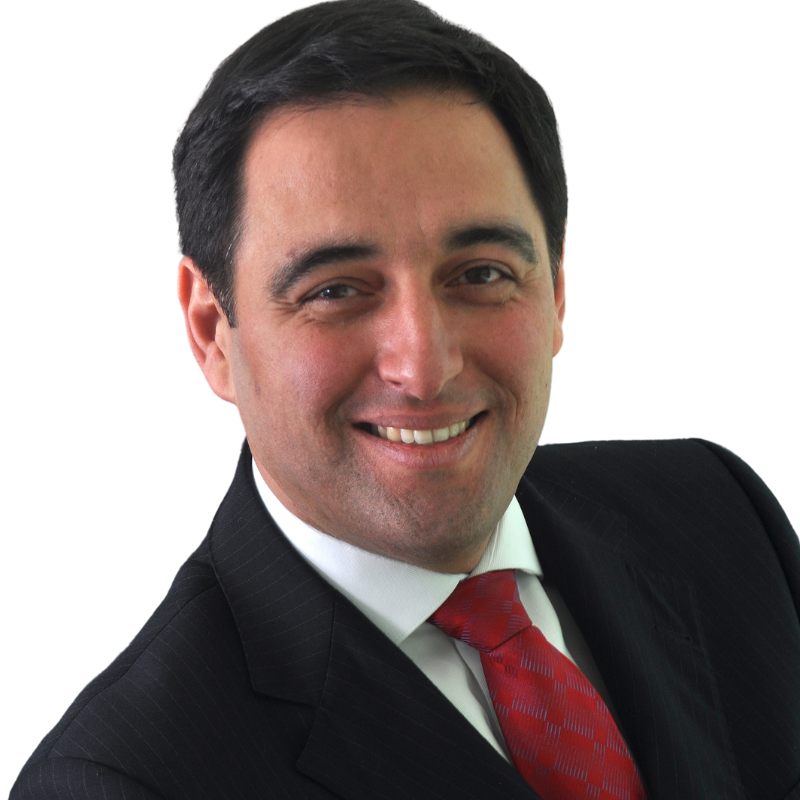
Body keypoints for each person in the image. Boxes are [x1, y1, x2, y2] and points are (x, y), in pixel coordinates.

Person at [11, 1, 800, 798]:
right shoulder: (119, 781)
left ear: (556, 288)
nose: (424, 368)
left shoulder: (723, 521)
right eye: (336, 290)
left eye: (481, 273)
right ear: (213, 331)